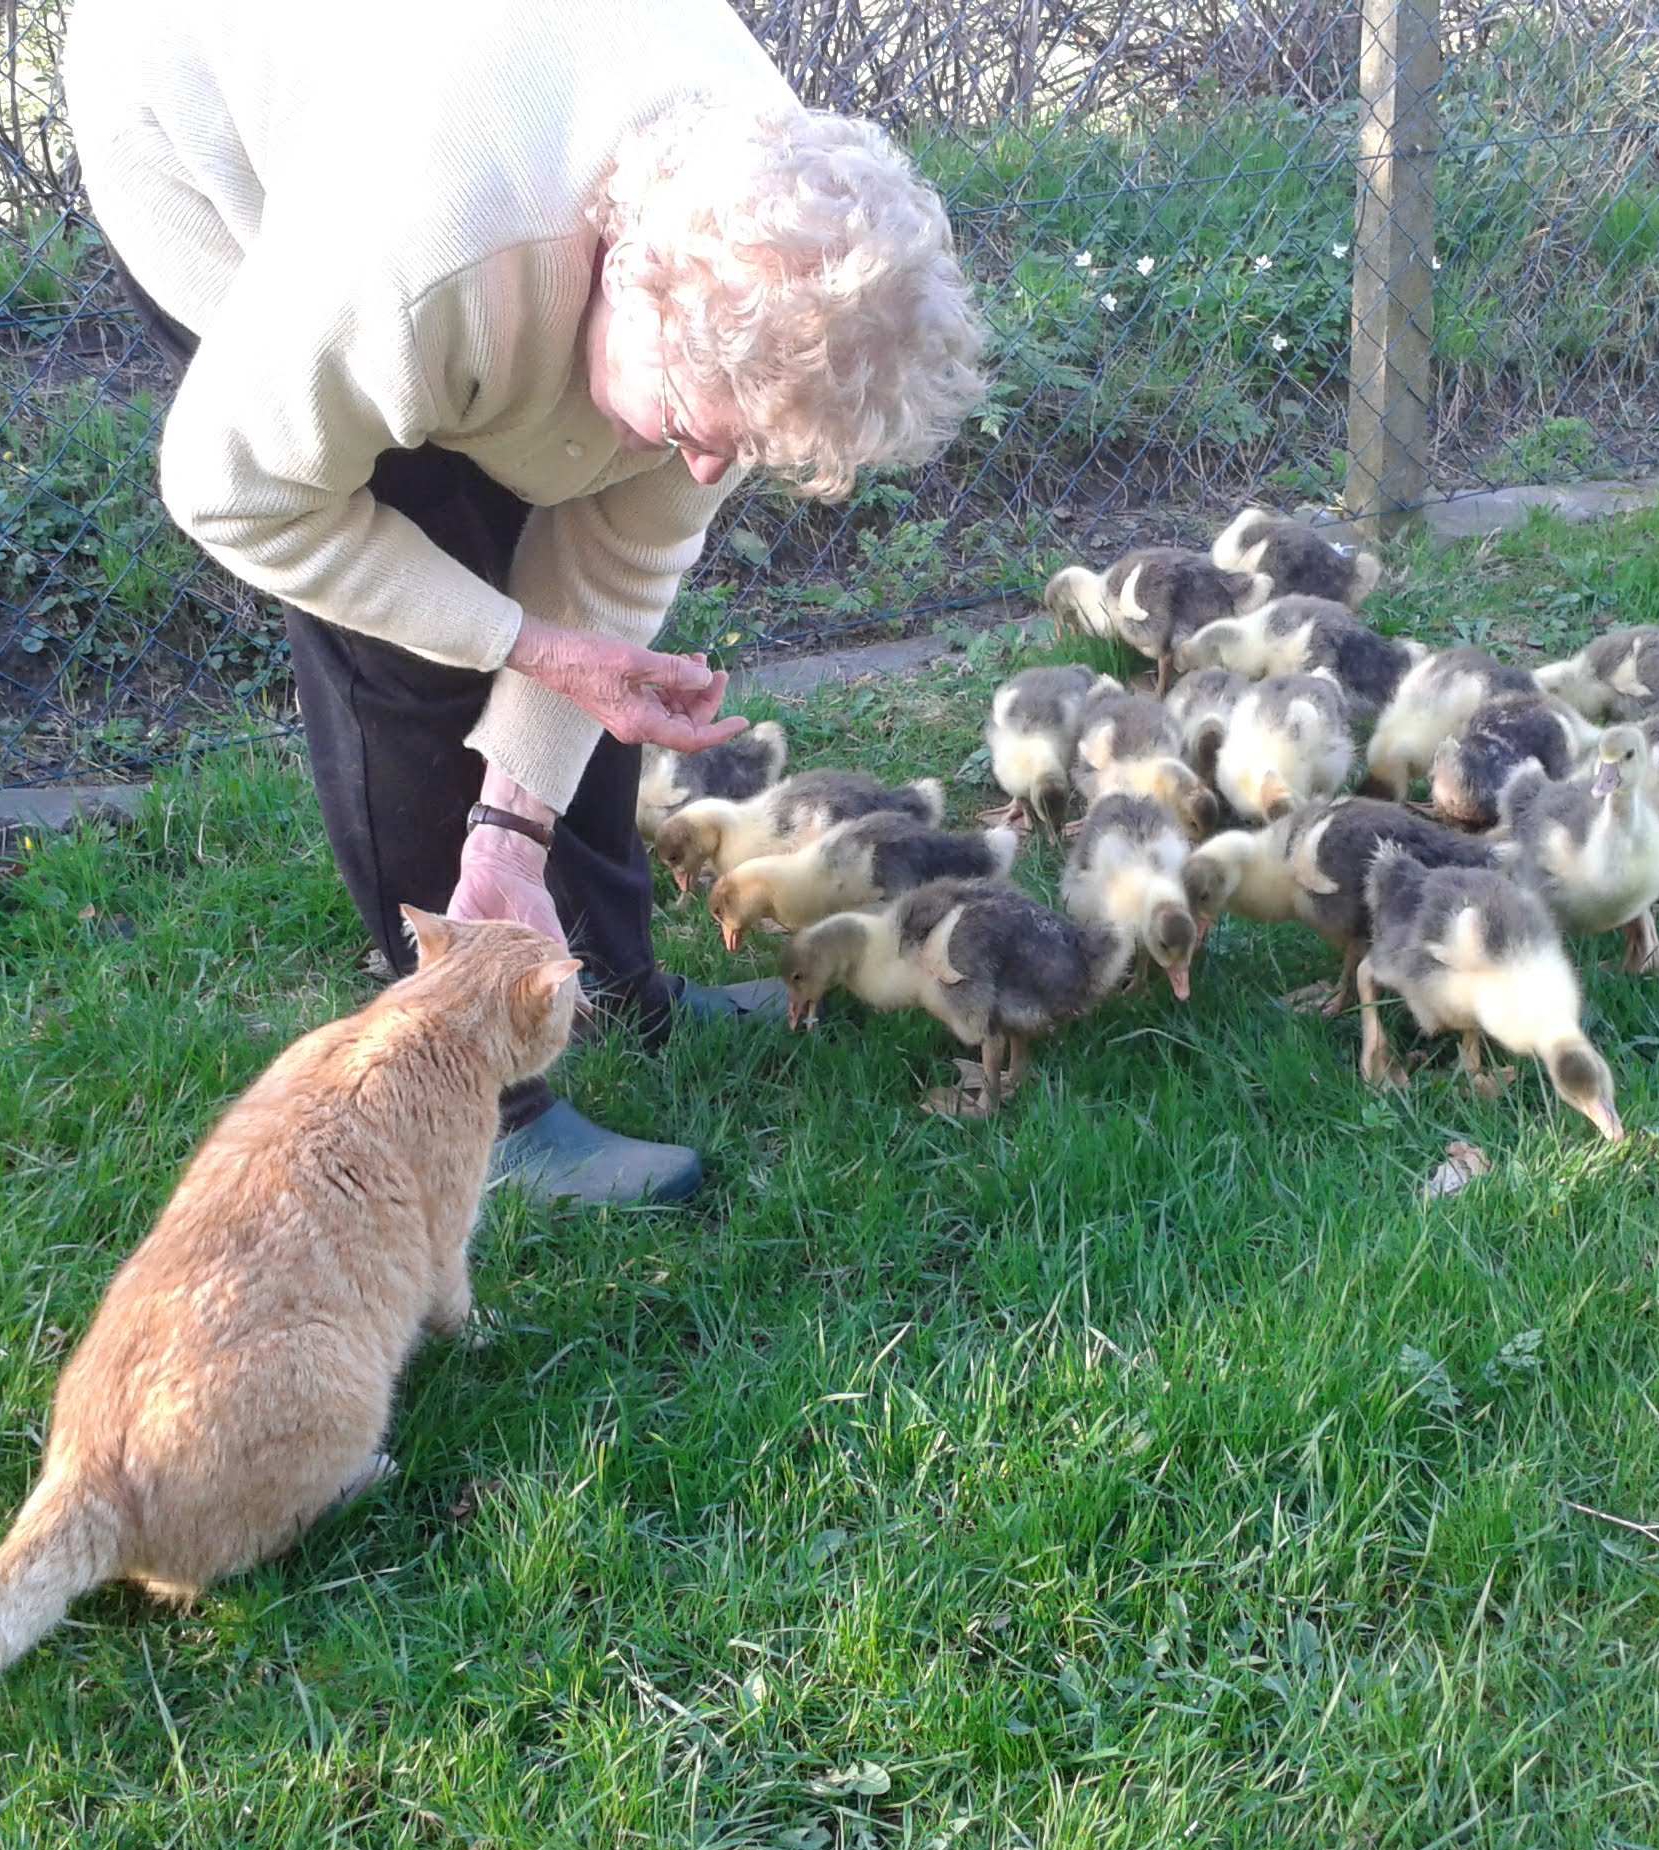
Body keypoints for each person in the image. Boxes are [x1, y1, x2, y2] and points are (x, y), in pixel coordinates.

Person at [63, 0, 984, 1205]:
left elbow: (608, 584)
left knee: (602, 667)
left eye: (744, 446)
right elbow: (237, 494)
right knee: (411, 661)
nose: (709, 474)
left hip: (497, 195)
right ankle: (484, 1096)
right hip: (208, 125)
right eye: (701, 431)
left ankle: (605, 978)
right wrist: (509, 638)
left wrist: (516, 815)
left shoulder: (761, 274)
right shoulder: (410, 270)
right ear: (636, 285)